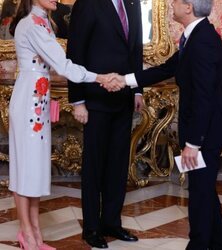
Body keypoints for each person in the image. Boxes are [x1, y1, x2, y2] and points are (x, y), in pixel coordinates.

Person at [102, 0, 222, 249]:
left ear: (188, 7)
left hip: (205, 133)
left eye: (177, 1)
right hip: (203, 129)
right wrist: (125, 79)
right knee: (204, 193)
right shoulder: (194, 36)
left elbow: (205, 98)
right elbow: (165, 69)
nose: (172, 4)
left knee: (199, 196)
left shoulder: (203, 40)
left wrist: (193, 143)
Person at [8, 0, 110, 249]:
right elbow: (63, 66)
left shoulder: (45, 23)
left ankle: (35, 234)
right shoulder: (31, 24)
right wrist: (100, 77)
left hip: (38, 100)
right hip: (27, 103)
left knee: (33, 170)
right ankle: (27, 234)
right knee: (24, 171)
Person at [67, 0, 143, 248]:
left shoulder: (132, 3)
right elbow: (75, 52)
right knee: (94, 166)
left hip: (124, 99)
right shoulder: (87, 4)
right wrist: (77, 100)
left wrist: (138, 90)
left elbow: (135, 51)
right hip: (94, 100)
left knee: (118, 165)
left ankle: (112, 222)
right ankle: (91, 227)